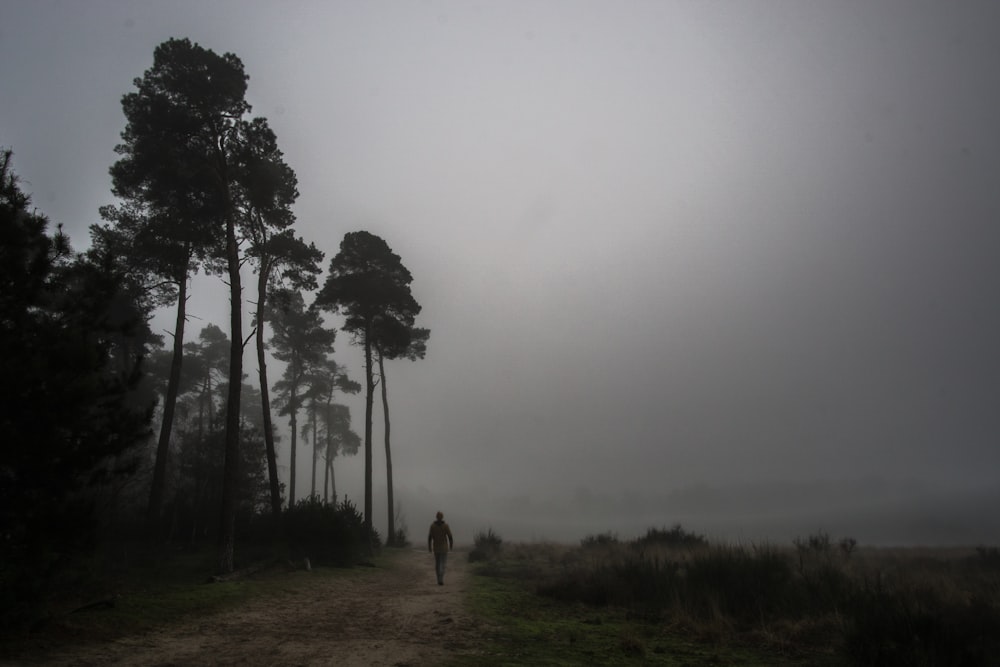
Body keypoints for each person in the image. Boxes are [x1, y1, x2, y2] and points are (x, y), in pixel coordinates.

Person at [427, 511, 454, 585]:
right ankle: (441, 578)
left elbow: (430, 537)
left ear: (436, 517)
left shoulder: (432, 526)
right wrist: (451, 545)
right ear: (442, 517)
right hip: (444, 547)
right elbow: (450, 536)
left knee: (437, 563)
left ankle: (438, 579)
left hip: (436, 547)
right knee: (442, 563)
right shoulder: (445, 526)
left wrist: (429, 547)